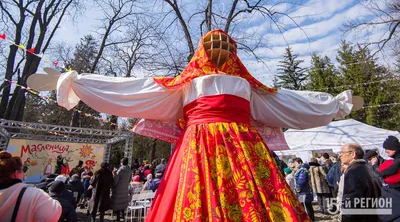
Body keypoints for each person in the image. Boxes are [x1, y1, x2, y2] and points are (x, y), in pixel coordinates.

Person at [28, 29, 357, 221]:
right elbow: (132, 89)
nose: (220, 53)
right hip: (221, 148)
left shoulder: (248, 87)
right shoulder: (185, 85)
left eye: (225, 48)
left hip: (212, 148)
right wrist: (76, 82)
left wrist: (334, 105)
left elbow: (289, 102)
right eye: (216, 48)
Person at [0, 151, 62, 221]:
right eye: (22, 170)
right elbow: (54, 212)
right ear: (16, 173)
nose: (24, 173)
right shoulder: (34, 195)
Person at [339, 143, 382, 222]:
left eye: (342, 152)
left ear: (353, 154)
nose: (340, 156)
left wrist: (346, 219)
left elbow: (352, 202)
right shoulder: (368, 168)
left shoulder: (353, 171)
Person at [111, 157, 132, 222]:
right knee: (123, 202)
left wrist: (114, 174)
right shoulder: (129, 170)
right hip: (125, 188)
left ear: (122, 163)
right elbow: (130, 180)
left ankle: (118, 218)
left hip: (118, 189)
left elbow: (116, 180)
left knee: (118, 203)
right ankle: (122, 215)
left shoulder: (120, 170)